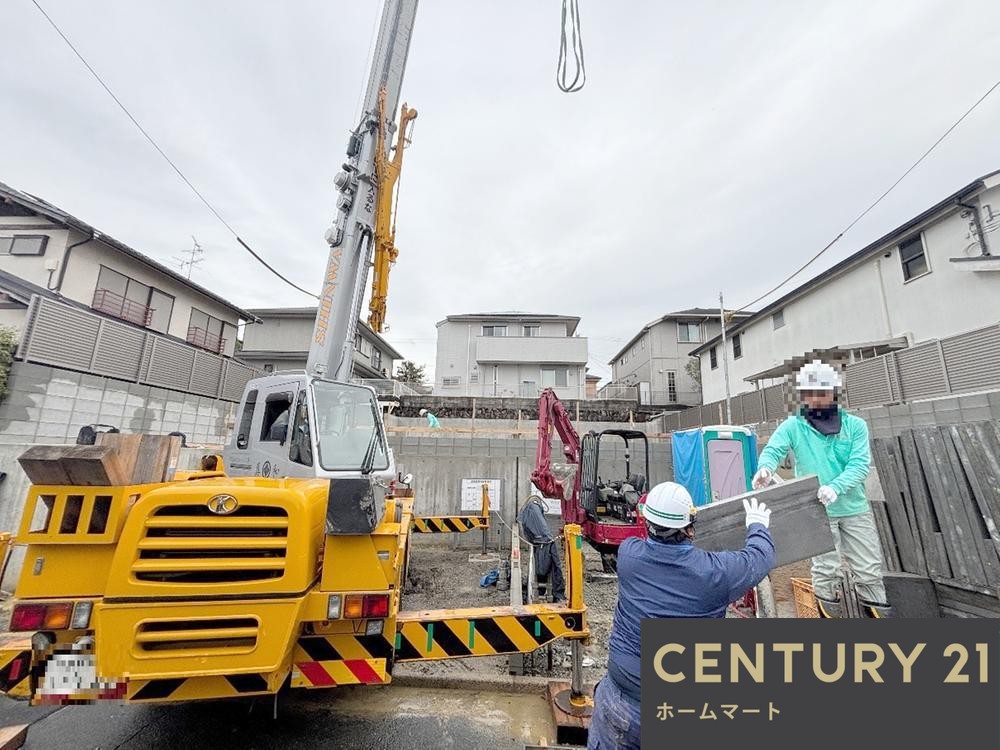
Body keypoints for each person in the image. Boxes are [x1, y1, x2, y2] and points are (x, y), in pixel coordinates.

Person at [588, 482, 775, 749]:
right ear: (689, 527)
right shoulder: (715, 574)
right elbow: (761, 557)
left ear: (647, 520)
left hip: (620, 704)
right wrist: (757, 526)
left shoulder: (629, 556)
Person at [753, 359, 890, 619]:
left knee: (869, 570)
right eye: (810, 394)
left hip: (853, 508)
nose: (816, 399)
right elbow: (774, 449)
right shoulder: (795, 425)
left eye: (822, 392)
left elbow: (860, 466)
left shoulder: (855, 426)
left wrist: (836, 487)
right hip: (816, 510)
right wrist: (765, 469)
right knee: (826, 570)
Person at [517, 494, 566, 602]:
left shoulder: (529, 510)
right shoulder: (533, 510)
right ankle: (557, 593)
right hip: (545, 542)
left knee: (547, 569)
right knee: (554, 567)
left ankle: (549, 591)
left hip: (543, 543)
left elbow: (527, 531)